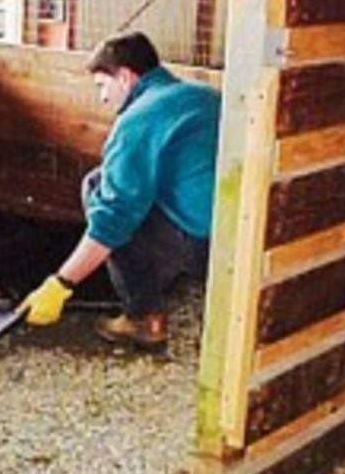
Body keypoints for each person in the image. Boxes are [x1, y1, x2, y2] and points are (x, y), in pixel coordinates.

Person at [18, 30, 221, 355]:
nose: (101, 98)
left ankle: (143, 317)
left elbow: (114, 215)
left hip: (202, 245)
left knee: (98, 187)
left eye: (102, 85)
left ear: (125, 77)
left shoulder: (139, 119)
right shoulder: (205, 96)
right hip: (239, 241)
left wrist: (61, 284)